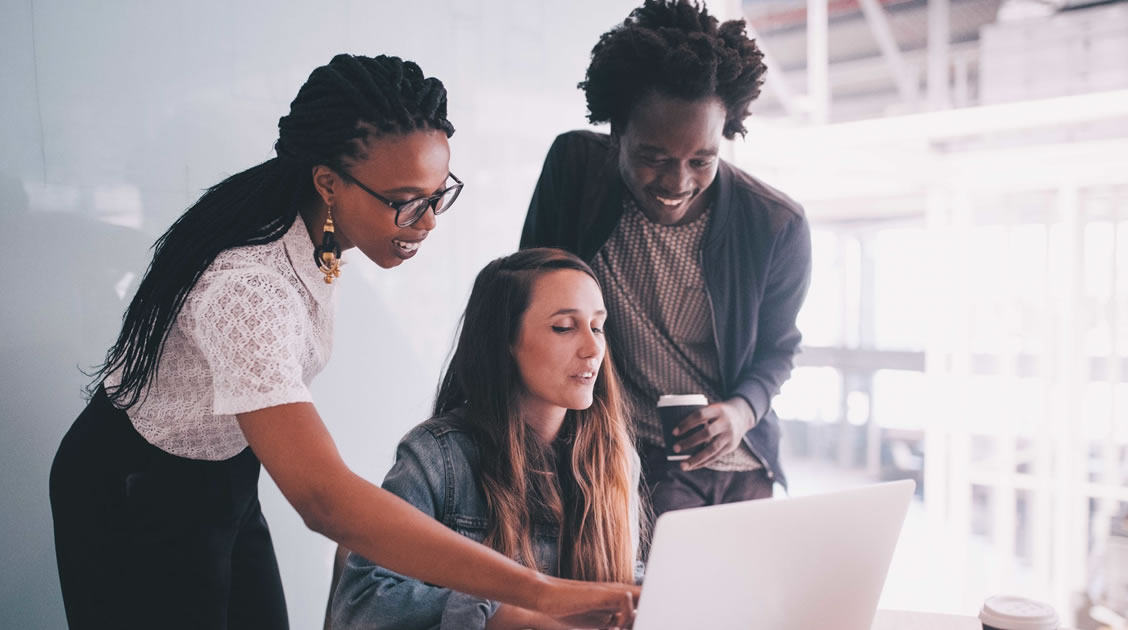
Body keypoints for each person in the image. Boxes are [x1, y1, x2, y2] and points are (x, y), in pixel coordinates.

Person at [49, 54, 637, 630]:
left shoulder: (318, 236)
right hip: (134, 493)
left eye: (438, 194)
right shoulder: (248, 289)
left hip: (225, 475)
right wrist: (539, 592)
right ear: (328, 182)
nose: (428, 221)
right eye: (407, 201)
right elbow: (323, 499)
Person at [520, 0, 812, 524]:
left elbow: (779, 350)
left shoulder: (775, 225)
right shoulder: (577, 171)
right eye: (653, 158)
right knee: (655, 600)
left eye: (701, 160)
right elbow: (528, 299)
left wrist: (741, 411)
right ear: (616, 134)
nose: (678, 183)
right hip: (632, 454)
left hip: (742, 456)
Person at [330, 248, 642, 630]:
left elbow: (621, 578)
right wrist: (509, 614)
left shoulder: (614, 456)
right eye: (564, 327)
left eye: (598, 326)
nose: (593, 349)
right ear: (505, 341)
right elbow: (361, 606)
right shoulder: (437, 456)